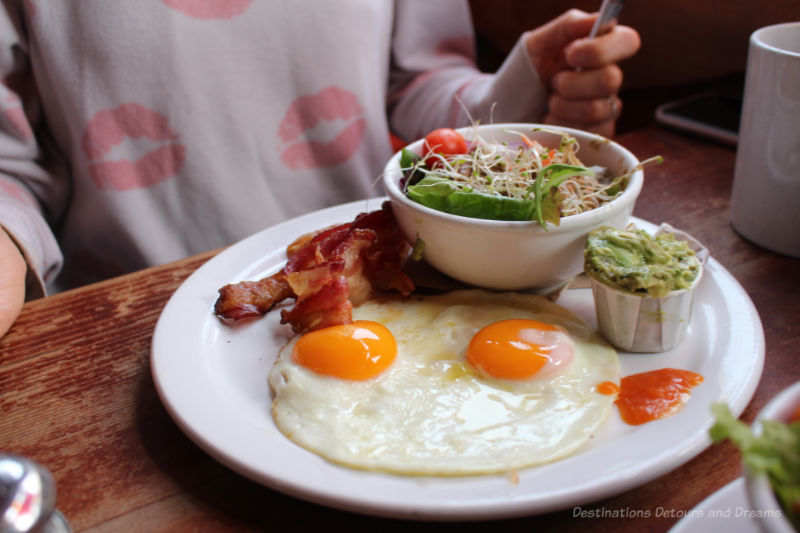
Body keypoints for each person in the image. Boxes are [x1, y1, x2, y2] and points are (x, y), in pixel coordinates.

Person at [0, 2, 640, 338]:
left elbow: (416, 81)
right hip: (124, 312)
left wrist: (530, 78)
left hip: (387, 282)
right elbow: (11, 169)